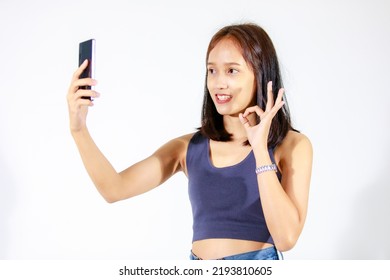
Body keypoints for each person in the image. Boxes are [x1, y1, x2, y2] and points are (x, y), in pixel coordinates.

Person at [67, 23, 313, 260]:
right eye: (212, 70)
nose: (219, 83)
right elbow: (114, 188)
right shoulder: (188, 148)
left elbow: (285, 239)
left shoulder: (292, 146)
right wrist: (79, 129)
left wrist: (260, 149)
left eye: (232, 70)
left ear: (261, 75)